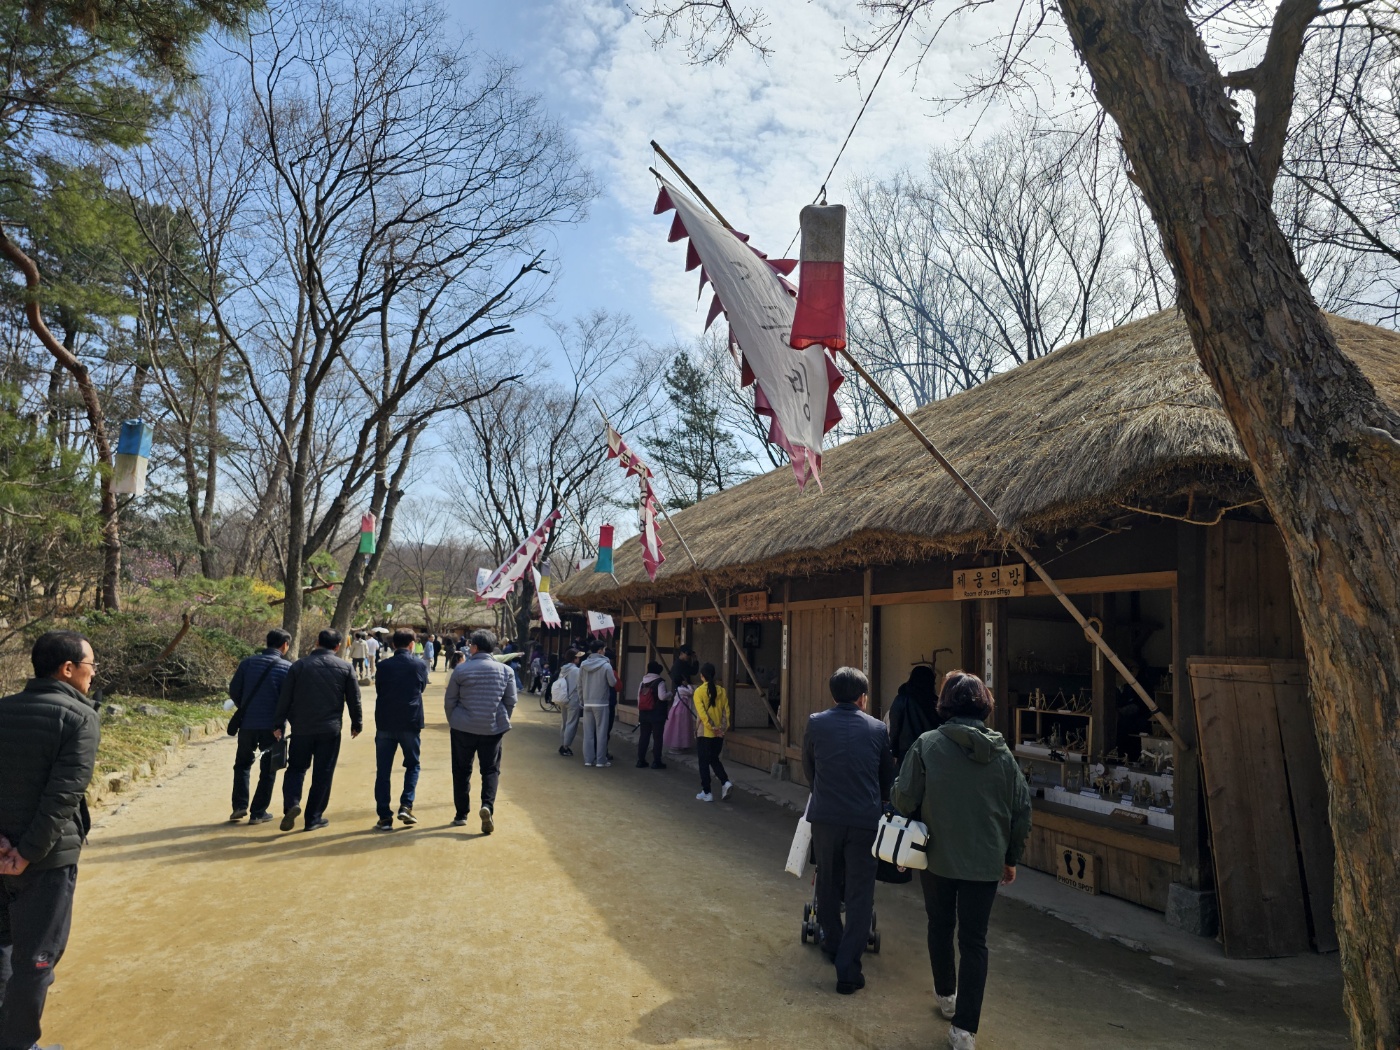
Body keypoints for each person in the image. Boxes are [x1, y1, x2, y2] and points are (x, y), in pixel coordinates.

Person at [892, 671, 1031, 1050]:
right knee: (975, 941)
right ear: (985, 705)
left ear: (945, 704)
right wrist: (1011, 858)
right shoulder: (1004, 755)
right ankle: (965, 1031)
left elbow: (903, 799)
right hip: (986, 862)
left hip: (936, 856)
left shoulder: (927, 745)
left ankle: (946, 995)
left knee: (940, 924)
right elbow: (1022, 810)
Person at [0, 630, 101, 1050]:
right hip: (45, 861)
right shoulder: (80, 718)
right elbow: (62, 797)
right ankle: (19, 1044)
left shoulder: (3, 709)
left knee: (3, 947)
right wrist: (25, 853)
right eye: (91, 665)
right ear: (68, 668)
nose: (93, 674)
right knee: (37, 959)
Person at [802, 666, 895, 996]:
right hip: (864, 821)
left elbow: (809, 768)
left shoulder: (816, 722)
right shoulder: (877, 728)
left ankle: (832, 944)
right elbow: (887, 777)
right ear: (863, 698)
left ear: (833, 695)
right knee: (860, 892)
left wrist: (823, 792)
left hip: (825, 818)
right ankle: (848, 968)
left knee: (827, 883)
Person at [273, 629, 362, 832]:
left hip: (301, 728)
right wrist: (356, 723)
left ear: (316, 642)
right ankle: (313, 818)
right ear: (338, 646)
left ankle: (292, 804)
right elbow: (354, 698)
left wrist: (278, 724)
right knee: (323, 773)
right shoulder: (345, 667)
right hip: (330, 729)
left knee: (296, 769)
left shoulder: (299, 666)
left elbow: (285, 697)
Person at [444, 629, 517, 834]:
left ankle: (461, 814)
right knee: (490, 769)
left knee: (461, 770)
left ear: (474, 647)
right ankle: (487, 806)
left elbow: (450, 701)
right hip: (492, 728)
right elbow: (511, 701)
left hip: (462, 727)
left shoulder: (461, 670)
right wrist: (502, 719)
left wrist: (453, 720)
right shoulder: (506, 671)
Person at [226, 629, 293, 824]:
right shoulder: (287, 668)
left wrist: (245, 706)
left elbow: (234, 690)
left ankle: (239, 806)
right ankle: (258, 812)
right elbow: (288, 700)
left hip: (247, 723)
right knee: (269, 769)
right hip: (273, 727)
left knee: (242, 764)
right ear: (284, 645)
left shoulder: (247, 663)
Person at [371, 629, 429, 831]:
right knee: (412, 765)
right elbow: (421, 688)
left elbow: (379, 689)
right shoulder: (419, 665)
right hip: (410, 721)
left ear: (394, 644)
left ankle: (384, 817)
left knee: (383, 771)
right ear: (412, 644)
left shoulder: (383, 666)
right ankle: (406, 805)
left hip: (385, 721)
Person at [887, 664, 943, 766]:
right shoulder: (935, 702)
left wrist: (893, 751)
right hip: (931, 752)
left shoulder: (901, 699)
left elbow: (895, 727)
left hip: (906, 753)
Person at [693, 662, 731, 802]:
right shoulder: (722, 691)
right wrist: (722, 729)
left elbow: (702, 714)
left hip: (705, 733)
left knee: (703, 762)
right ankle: (725, 781)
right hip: (719, 734)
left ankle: (707, 791)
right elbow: (726, 712)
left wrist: (711, 727)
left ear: (702, 676)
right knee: (714, 758)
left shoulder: (699, 692)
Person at [576, 640, 617, 768]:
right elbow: (612, 683)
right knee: (601, 733)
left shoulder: (583, 665)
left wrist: (582, 700)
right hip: (602, 703)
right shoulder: (606, 665)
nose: (604, 651)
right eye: (604, 649)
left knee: (588, 733)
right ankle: (600, 760)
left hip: (587, 702)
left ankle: (588, 760)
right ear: (600, 651)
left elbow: (579, 684)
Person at [634, 661, 671, 768]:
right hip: (657, 714)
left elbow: (638, 698)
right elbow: (662, 697)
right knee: (657, 738)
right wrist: (670, 694)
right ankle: (656, 761)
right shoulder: (660, 682)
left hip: (644, 713)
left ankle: (641, 760)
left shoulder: (642, 682)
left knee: (644, 737)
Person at [663, 646, 697, 753]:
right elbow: (693, 672)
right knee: (680, 726)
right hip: (681, 698)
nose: (689, 656)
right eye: (688, 654)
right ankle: (678, 745)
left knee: (681, 725)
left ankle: (682, 744)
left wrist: (695, 661)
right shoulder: (679, 665)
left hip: (680, 699)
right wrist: (686, 684)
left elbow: (693, 671)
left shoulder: (681, 664)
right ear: (681, 653)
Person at [556, 648, 583, 757]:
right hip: (573, 699)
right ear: (574, 658)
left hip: (563, 698)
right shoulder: (576, 671)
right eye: (578, 657)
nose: (579, 659)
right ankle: (565, 746)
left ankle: (563, 743)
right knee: (572, 723)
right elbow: (580, 685)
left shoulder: (563, 669)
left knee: (565, 722)